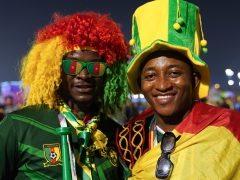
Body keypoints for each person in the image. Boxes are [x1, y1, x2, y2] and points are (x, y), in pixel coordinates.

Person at [116, 0, 240, 179]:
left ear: (194, 80)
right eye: (150, 76)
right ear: (140, 84)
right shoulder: (128, 138)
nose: (162, 85)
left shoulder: (230, 129)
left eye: (174, 73)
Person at [0, 12, 130, 179]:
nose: (84, 75)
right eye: (73, 66)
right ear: (55, 70)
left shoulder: (116, 135)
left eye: (96, 67)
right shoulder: (19, 126)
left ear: (109, 74)